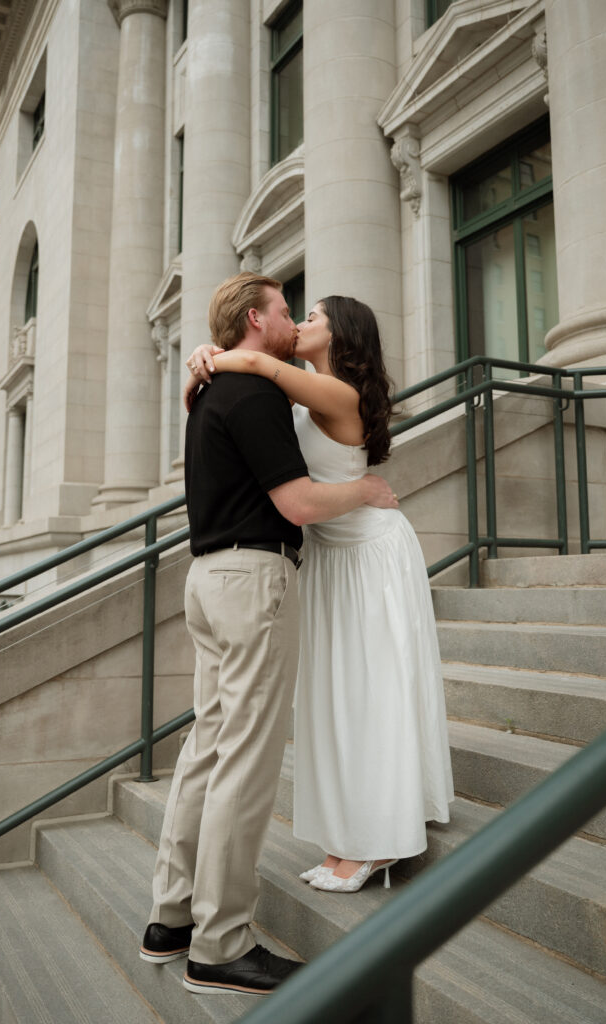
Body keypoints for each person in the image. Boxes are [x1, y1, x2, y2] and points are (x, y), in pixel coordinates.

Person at [140, 274, 397, 995]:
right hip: (252, 582)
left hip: (209, 582)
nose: (293, 319)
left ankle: (170, 919)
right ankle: (220, 946)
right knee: (243, 766)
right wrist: (366, 492)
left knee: (206, 750)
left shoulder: (211, 389)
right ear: (257, 319)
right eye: (286, 310)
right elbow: (299, 501)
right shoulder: (251, 393)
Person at [185, 295, 454, 895]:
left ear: (340, 336)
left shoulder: (338, 394)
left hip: (371, 555)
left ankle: (378, 841)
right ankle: (344, 838)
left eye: (313, 318)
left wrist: (212, 356)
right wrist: (207, 354)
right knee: (335, 700)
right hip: (330, 559)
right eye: (296, 314)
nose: (301, 323)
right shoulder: (302, 389)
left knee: (370, 694)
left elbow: (258, 366)